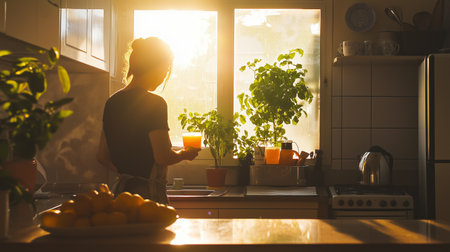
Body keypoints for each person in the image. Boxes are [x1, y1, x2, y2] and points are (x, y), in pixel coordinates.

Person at [97, 37, 200, 204]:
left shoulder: (112, 102)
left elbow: (102, 156)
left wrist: (129, 174)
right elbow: (162, 157)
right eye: (166, 69)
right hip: (147, 196)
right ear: (156, 67)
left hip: (120, 194)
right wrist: (184, 154)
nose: (164, 76)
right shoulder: (155, 103)